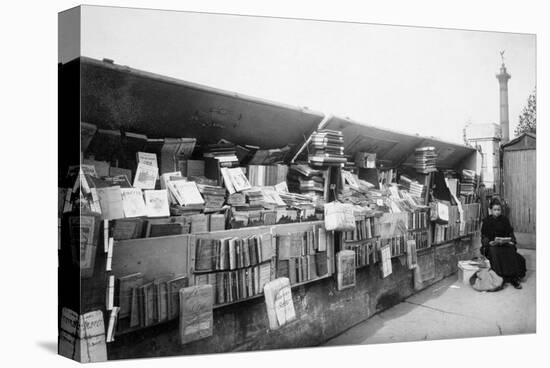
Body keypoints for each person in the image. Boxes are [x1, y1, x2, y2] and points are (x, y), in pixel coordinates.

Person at [480, 199, 526, 289]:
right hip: (492, 245)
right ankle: (500, 278)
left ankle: (513, 278)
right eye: (495, 210)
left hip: (504, 244)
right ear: (491, 210)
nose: (497, 212)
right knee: (495, 251)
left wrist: (511, 240)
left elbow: (510, 233)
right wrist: (488, 242)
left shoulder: (505, 220)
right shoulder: (486, 221)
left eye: (499, 210)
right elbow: (484, 236)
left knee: (511, 250)